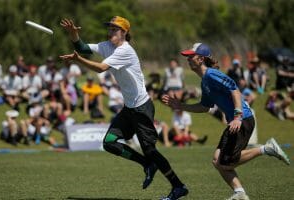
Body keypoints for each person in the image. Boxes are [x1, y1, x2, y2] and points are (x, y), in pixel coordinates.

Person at [60, 16, 188, 200]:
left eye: (114, 29)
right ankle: (146, 164)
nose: (110, 31)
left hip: (142, 108)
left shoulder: (125, 51)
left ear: (124, 32)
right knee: (110, 142)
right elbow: (83, 48)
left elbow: (100, 68)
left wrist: (78, 60)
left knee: (151, 150)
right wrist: (74, 34)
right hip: (129, 109)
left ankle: (178, 187)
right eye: (109, 28)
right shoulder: (107, 46)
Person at [162, 42, 290, 200]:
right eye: (187, 56)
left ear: (201, 59)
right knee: (217, 160)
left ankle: (266, 149)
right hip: (236, 121)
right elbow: (204, 106)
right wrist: (181, 106)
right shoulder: (205, 81)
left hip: (242, 120)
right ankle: (239, 193)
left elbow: (235, 90)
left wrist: (237, 116)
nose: (188, 59)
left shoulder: (211, 75)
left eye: (191, 56)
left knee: (226, 163)